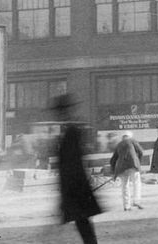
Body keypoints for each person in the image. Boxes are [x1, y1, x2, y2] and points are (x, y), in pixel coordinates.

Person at [51, 92, 101, 244]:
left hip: (76, 189)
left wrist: (66, 196)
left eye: (60, 111)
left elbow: (72, 166)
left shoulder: (71, 132)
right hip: (77, 189)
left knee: (83, 225)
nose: (58, 115)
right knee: (84, 225)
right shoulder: (71, 131)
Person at [109, 130, 144, 211]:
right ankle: (136, 201)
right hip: (133, 165)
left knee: (124, 186)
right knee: (136, 183)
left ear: (122, 137)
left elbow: (113, 160)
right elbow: (141, 152)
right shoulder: (132, 141)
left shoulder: (119, 145)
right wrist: (138, 163)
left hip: (122, 168)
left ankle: (126, 206)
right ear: (130, 136)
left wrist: (113, 171)